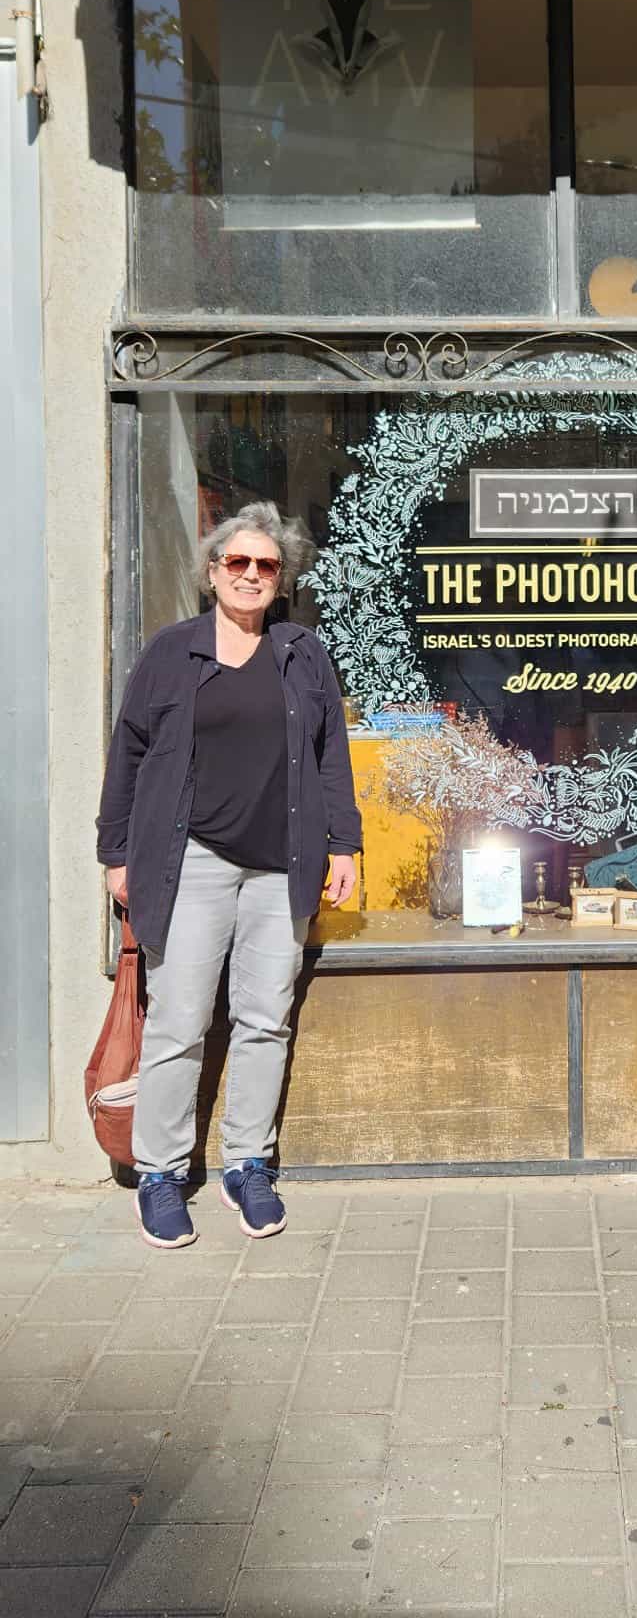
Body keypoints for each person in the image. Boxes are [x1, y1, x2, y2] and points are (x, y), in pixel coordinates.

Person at [96, 502, 362, 1250]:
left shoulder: (301, 652)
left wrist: (345, 845)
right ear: (212, 571)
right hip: (193, 861)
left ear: (281, 580)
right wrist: (115, 854)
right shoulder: (172, 652)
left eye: (265, 565)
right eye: (236, 562)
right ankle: (160, 1171)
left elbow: (330, 754)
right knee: (179, 1020)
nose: (250, 575)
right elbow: (129, 755)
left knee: (265, 1019)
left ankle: (248, 1163)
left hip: (282, 865)